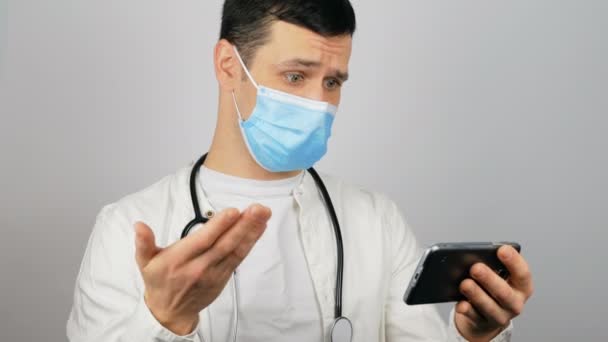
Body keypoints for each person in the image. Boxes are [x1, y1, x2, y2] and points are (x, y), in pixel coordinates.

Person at [66, 1, 534, 341]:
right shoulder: (128, 226)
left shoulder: (376, 221)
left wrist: (477, 337)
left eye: (333, 82)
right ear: (228, 65)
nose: (318, 102)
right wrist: (162, 320)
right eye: (295, 76)